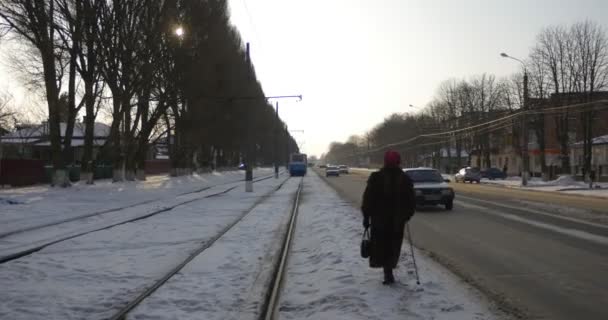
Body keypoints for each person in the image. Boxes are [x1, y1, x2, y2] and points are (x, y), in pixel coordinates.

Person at [361, 150, 416, 285]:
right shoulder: (405, 179)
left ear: (385, 162)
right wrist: (406, 215)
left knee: (381, 245)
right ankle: (389, 270)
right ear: (398, 162)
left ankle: (387, 273)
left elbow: (368, 199)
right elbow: (411, 201)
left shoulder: (376, 177)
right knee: (393, 245)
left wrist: (366, 217)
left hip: (379, 219)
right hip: (397, 221)